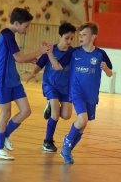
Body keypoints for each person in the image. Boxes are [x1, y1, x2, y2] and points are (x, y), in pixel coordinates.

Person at [47, 22, 113, 164]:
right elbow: (58, 66)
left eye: (84, 35)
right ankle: (67, 141)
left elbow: (110, 73)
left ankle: (67, 150)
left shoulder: (101, 54)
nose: (80, 37)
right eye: (80, 35)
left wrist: (106, 69)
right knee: (82, 120)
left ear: (93, 36)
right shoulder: (73, 52)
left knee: (83, 125)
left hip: (91, 95)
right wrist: (49, 54)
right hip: (76, 92)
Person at [0, 7, 52, 160]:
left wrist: (27, 58)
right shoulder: (7, 35)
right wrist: (40, 51)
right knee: (6, 114)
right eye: (26, 26)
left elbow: (13, 57)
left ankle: (5, 135)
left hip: (13, 79)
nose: (27, 29)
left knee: (26, 110)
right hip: (2, 80)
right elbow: (18, 57)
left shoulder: (10, 35)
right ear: (17, 23)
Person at [26, 23, 77, 152]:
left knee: (66, 115)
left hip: (65, 88)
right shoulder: (51, 49)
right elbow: (41, 63)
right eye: (67, 38)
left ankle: (51, 105)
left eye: (72, 38)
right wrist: (33, 73)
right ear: (59, 36)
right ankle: (47, 141)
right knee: (56, 112)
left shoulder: (72, 52)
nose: (69, 41)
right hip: (51, 85)